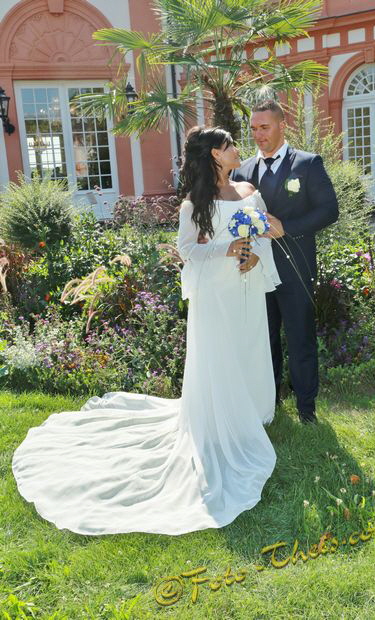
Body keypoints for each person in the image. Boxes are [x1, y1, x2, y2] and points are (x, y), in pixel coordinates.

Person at [12, 126, 281, 537]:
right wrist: (225, 249)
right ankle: (221, 420)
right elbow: (188, 249)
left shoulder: (248, 191)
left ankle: (254, 411)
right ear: (214, 154)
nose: (236, 149)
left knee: (250, 343)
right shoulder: (194, 204)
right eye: (229, 145)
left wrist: (253, 256)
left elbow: (263, 235)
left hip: (245, 284)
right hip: (214, 290)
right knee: (221, 352)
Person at [232, 100, 339, 425]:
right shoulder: (242, 171)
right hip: (255, 271)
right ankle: (270, 405)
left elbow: (329, 210)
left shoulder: (307, 164)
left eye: (264, 127)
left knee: (300, 339)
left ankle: (307, 410)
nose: (258, 135)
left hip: (295, 268)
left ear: (282, 125)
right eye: (254, 129)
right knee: (263, 342)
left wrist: (287, 228)